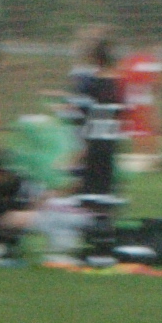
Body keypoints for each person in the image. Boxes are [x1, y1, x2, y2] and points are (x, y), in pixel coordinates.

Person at [66, 37, 125, 265]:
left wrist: (78, 153)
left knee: (88, 196)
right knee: (105, 194)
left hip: (91, 145)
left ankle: (90, 249)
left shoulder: (90, 85)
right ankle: (104, 248)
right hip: (110, 145)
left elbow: (78, 117)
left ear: (94, 59)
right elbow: (119, 116)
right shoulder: (119, 86)